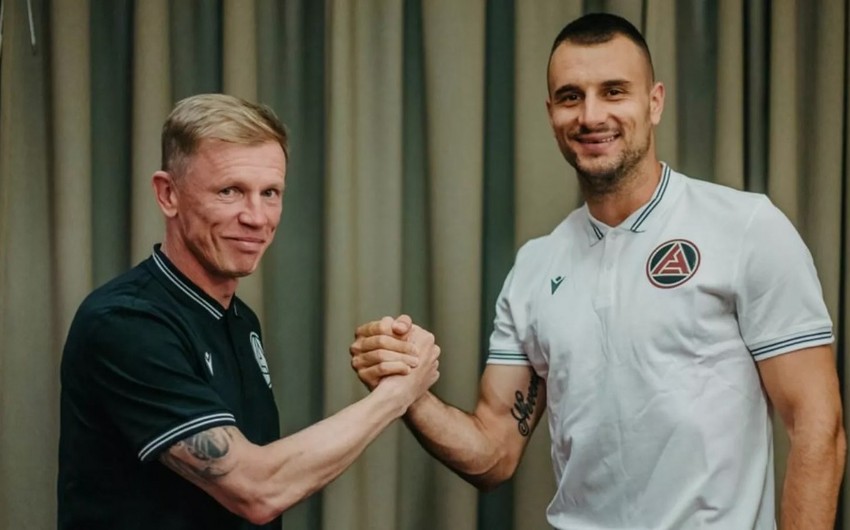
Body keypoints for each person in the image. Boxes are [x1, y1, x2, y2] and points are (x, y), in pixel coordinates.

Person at [349, 13, 845, 529]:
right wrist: (406, 392)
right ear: (551, 113)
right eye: (571, 97)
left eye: (614, 92)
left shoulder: (746, 227)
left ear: (654, 102)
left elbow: (817, 427)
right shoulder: (535, 267)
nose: (590, 115)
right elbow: (493, 453)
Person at [57, 93, 440, 530]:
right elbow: (256, 489)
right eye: (230, 191)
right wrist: (397, 395)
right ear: (168, 194)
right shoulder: (125, 322)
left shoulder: (239, 319)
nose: (257, 218)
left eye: (270, 193)